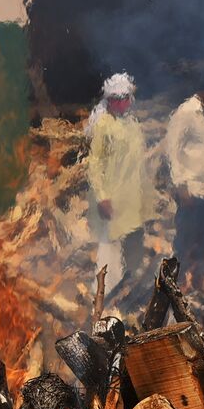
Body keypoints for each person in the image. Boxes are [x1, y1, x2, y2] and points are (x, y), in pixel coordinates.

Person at [86, 72, 151, 292]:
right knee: (110, 247)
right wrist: (102, 196)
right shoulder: (104, 125)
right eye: (121, 98)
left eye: (128, 97)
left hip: (132, 195)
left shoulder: (131, 123)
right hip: (112, 197)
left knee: (132, 243)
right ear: (112, 100)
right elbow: (94, 164)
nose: (126, 102)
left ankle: (127, 294)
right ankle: (103, 296)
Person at [162, 91, 204, 277]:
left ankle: (199, 279)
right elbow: (172, 149)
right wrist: (180, 185)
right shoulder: (185, 112)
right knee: (186, 237)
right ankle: (178, 280)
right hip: (190, 187)